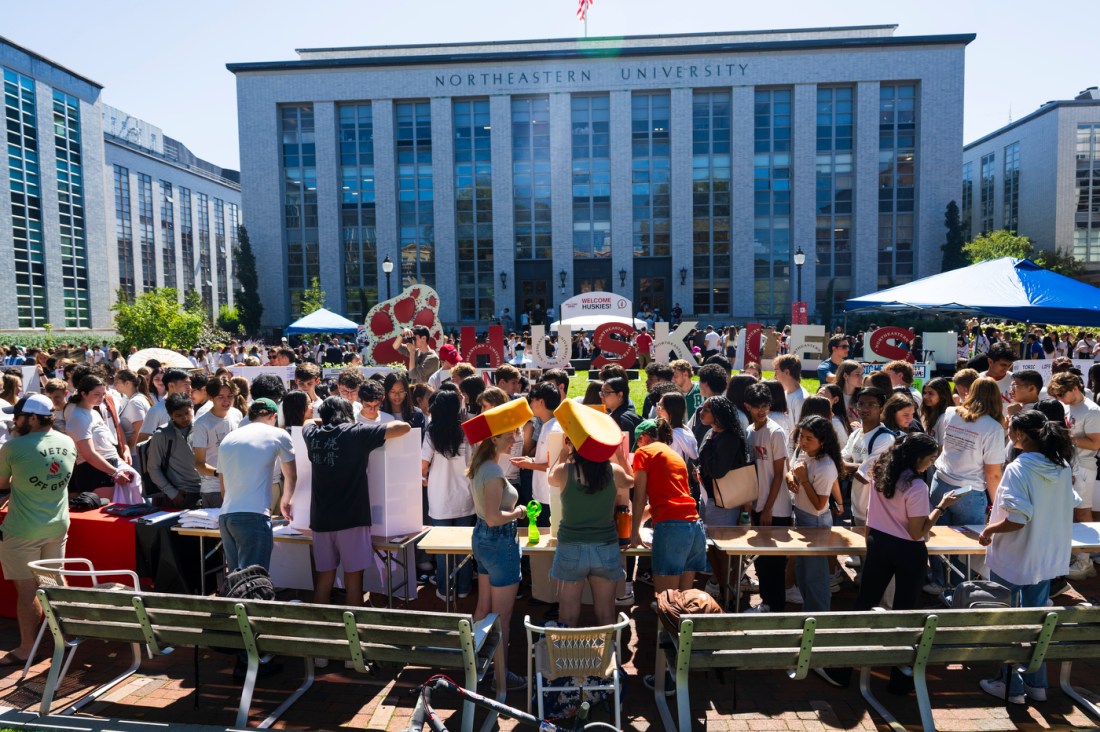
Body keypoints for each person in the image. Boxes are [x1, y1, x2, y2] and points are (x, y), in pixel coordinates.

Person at [976, 410, 1076, 704]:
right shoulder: (1062, 466)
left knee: (1007, 622)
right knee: (1036, 624)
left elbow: (1018, 518)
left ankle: (1011, 686)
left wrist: (990, 530)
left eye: (1010, 428)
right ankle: (1036, 684)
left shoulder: (1019, 468)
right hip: (1046, 557)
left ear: (1020, 435)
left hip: (1014, 556)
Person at [305, 397, 410, 611]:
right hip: (353, 518)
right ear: (347, 414)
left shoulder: (312, 435)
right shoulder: (357, 432)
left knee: (324, 579)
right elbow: (404, 427)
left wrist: (322, 422)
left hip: (320, 519)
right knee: (354, 581)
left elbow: (307, 422)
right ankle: (353, 635)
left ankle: (318, 630)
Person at [0, 394, 77, 666]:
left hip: (22, 530)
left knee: (28, 591)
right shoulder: (67, 441)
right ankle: (68, 637)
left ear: (32, 418)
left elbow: (1, 485)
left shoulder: (13, 447)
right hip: (57, 524)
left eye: (18, 416)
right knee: (53, 581)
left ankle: (26, 649)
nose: (14, 420)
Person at [926, 377, 1006, 593]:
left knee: (938, 536)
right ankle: (961, 588)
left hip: (941, 482)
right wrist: (999, 504)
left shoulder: (951, 413)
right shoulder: (993, 427)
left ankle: (939, 581)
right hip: (969, 491)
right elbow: (993, 473)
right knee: (967, 544)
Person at [547, 430, 633, 628]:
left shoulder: (564, 471)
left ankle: (569, 657)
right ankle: (609, 657)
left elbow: (551, 476)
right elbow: (632, 480)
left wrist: (563, 452)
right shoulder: (614, 471)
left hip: (570, 546)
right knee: (606, 614)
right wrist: (620, 456)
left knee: (567, 616)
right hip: (606, 546)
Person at [467, 422, 527, 691]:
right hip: (499, 541)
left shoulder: (483, 466)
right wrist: (519, 512)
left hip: (484, 541)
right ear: (493, 439)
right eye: (510, 433)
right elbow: (494, 518)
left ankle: (477, 666)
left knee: (484, 607)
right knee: (502, 615)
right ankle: (500, 679)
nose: (515, 438)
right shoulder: (492, 471)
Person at [217, 398, 297, 572]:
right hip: (253, 516)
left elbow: (223, 488)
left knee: (236, 580)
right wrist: (286, 500)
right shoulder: (279, 434)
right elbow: (291, 475)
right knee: (253, 581)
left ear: (250, 415)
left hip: (226, 517)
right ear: (274, 416)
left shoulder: (229, 438)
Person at [630, 418, 707, 593]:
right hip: (694, 527)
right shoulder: (675, 456)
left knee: (667, 601)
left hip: (672, 529)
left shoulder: (644, 453)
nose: (639, 448)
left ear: (644, 437)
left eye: (638, 443)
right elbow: (668, 500)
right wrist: (634, 522)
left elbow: (639, 498)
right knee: (684, 601)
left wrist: (634, 533)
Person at [421, 391, 475, 601]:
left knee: (443, 548)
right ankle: (463, 588)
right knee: (464, 546)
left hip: (440, 498)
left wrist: (425, 477)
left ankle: (445, 590)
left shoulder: (431, 432)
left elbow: (423, 465)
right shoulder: (466, 430)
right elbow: (473, 462)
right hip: (465, 495)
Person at [785, 415, 842, 613]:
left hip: (816, 522)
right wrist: (791, 477)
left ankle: (819, 618)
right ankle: (809, 612)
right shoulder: (804, 452)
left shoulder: (825, 466)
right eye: (802, 436)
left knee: (815, 576)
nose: (803, 442)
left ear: (823, 441)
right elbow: (791, 469)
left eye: (809, 438)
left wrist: (804, 480)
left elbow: (819, 505)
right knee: (802, 571)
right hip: (801, 517)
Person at [1046, 371, 1100, 580]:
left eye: (1061, 395)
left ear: (1074, 388)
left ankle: (1084, 562)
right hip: (1071, 465)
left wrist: (1065, 437)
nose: (1059, 400)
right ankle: (1079, 556)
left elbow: (1096, 443)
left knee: (1082, 513)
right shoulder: (1069, 406)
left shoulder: (1093, 411)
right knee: (1073, 512)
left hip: (1084, 467)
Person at [696, 396, 751, 599]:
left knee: (722, 547)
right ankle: (720, 584)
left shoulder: (728, 438)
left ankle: (725, 587)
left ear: (718, 415)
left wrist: (706, 458)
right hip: (709, 496)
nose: (702, 412)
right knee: (711, 545)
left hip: (723, 501)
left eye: (707, 409)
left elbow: (718, 470)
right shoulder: (713, 433)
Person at [742, 382, 790, 612]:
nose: (762, 410)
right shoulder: (750, 432)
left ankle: (776, 608)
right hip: (758, 506)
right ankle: (767, 604)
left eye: (765, 405)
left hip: (777, 508)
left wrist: (769, 508)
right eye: (756, 406)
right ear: (747, 407)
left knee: (775, 563)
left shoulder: (776, 433)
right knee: (761, 561)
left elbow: (780, 474)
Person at [64, 375, 136, 494]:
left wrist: (120, 465)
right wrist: (115, 472)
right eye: (96, 394)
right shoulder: (78, 416)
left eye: (103, 394)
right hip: (94, 472)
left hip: (109, 466)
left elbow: (107, 445)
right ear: (83, 394)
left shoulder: (94, 413)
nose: (101, 398)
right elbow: (89, 454)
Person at [190, 375, 243, 508]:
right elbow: (199, 463)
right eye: (221, 397)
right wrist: (220, 473)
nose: (226, 401)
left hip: (238, 485)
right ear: (210, 397)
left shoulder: (237, 414)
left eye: (230, 396)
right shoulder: (202, 424)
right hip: (213, 489)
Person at [145, 393, 202, 508]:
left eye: (187, 413)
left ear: (192, 409)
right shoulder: (162, 434)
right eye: (178, 415)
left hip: (203, 491)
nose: (185, 418)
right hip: (179, 494)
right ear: (170, 415)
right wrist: (172, 493)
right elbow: (153, 468)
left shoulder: (201, 428)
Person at [601, 377, 642, 450]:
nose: (602, 396)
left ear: (619, 395)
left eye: (606, 393)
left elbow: (625, 450)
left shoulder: (621, 419)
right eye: (602, 392)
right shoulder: (619, 414)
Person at [773, 354, 810, 424]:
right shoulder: (784, 394)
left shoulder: (801, 399)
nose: (774, 375)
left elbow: (800, 430)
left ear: (787, 372)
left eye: (776, 370)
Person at [920, 377, 953, 445]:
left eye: (930, 393)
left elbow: (942, 447)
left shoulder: (943, 418)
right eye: (924, 393)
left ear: (942, 395)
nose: (925, 396)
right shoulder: (925, 414)